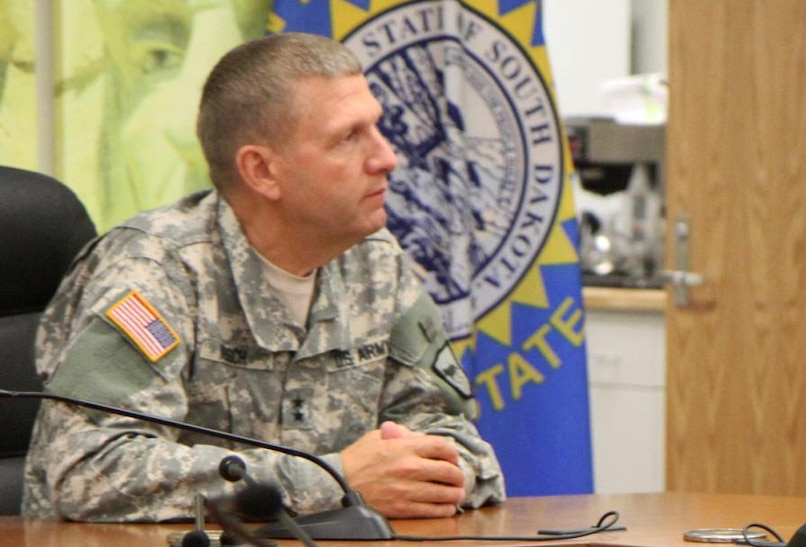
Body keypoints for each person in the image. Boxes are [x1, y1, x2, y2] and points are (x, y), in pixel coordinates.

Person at [23, 32, 503, 522]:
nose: (387, 158)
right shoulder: (156, 269)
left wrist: (439, 474)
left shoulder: (376, 263)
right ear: (262, 171)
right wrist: (335, 479)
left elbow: (455, 436)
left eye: (376, 129)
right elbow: (89, 469)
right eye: (348, 137)